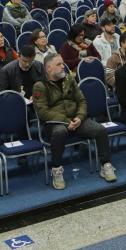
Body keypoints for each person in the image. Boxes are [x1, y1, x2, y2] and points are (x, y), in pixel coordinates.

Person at [32, 53, 116, 188]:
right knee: (59, 132)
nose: (63, 66)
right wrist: (66, 121)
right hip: (55, 123)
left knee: (100, 130)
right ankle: (57, 169)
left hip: (75, 119)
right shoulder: (40, 85)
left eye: (62, 63)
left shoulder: (69, 79)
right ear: (48, 68)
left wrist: (80, 117)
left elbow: (81, 101)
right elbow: (42, 112)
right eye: (59, 64)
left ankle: (106, 165)